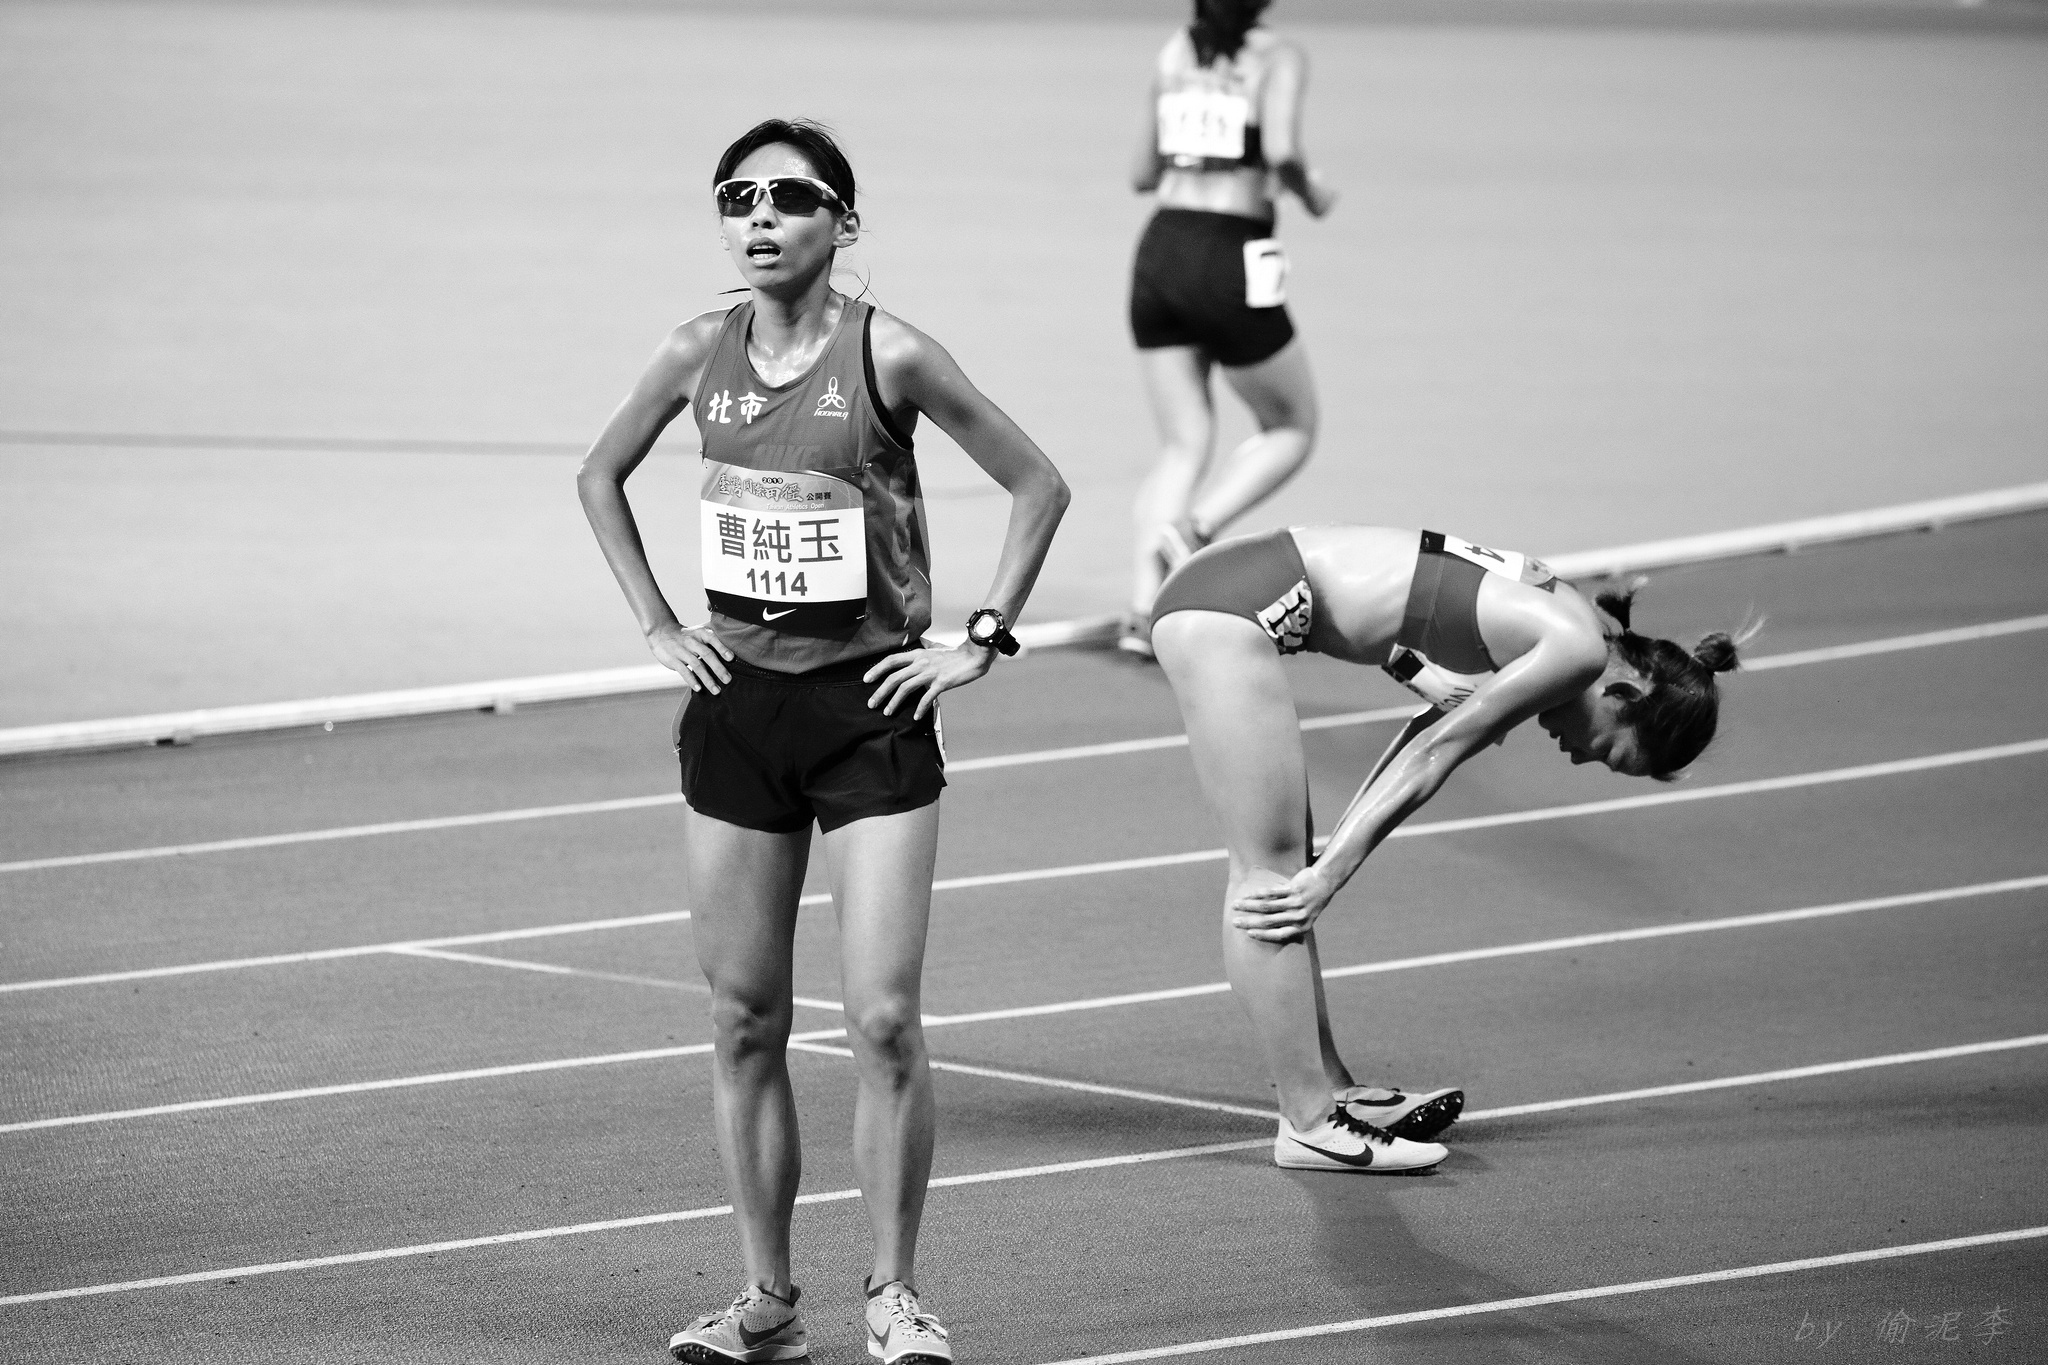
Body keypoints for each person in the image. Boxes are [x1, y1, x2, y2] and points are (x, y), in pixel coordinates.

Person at [578, 118, 1069, 1365]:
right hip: (737, 713)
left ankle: (893, 1297)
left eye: (790, 199)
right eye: (736, 197)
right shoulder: (695, 352)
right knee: (743, 1019)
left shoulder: (888, 352)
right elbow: (597, 476)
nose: (760, 218)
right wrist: (657, 626)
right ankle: (766, 1305)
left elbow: (1038, 483)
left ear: (841, 224)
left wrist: (980, 639)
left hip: (871, 716)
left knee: (883, 1020)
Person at [1150, 526, 1745, 1173]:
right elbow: (1436, 754)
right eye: (1606, 751)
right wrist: (1330, 876)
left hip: (1235, 589)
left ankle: (1334, 1091)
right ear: (1623, 695)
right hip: (1228, 609)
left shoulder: (1565, 627)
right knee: (1269, 875)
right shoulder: (1572, 653)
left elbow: (1424, 736)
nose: (1580, 758)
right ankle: (1308, 1122)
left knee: (1291, 869)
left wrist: (1331, 862)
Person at [1121, 0, 1337, 657]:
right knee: (1292, 424)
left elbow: (1141, 174)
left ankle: (1141, 612)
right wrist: (1312, 192)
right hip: (1228, 254)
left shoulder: (1173, 52)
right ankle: (1196, 528)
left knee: (1182, 445)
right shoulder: (1280, 56)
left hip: (1159, 251)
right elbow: (1281, 150)